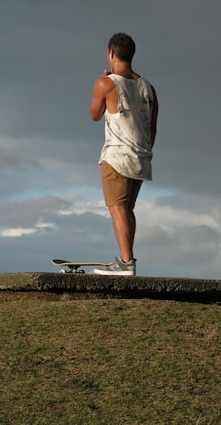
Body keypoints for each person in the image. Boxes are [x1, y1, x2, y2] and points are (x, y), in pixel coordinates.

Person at [88, 33, 158, 276]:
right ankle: (127, 259)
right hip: (141, 157)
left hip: (116, 156)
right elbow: (152, 128)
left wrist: (101, 82)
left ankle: (126, 263)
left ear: (111, 54)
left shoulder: (106, 83)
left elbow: (94, 114)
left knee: (117, 208)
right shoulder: (149, 88)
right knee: (127, 209)